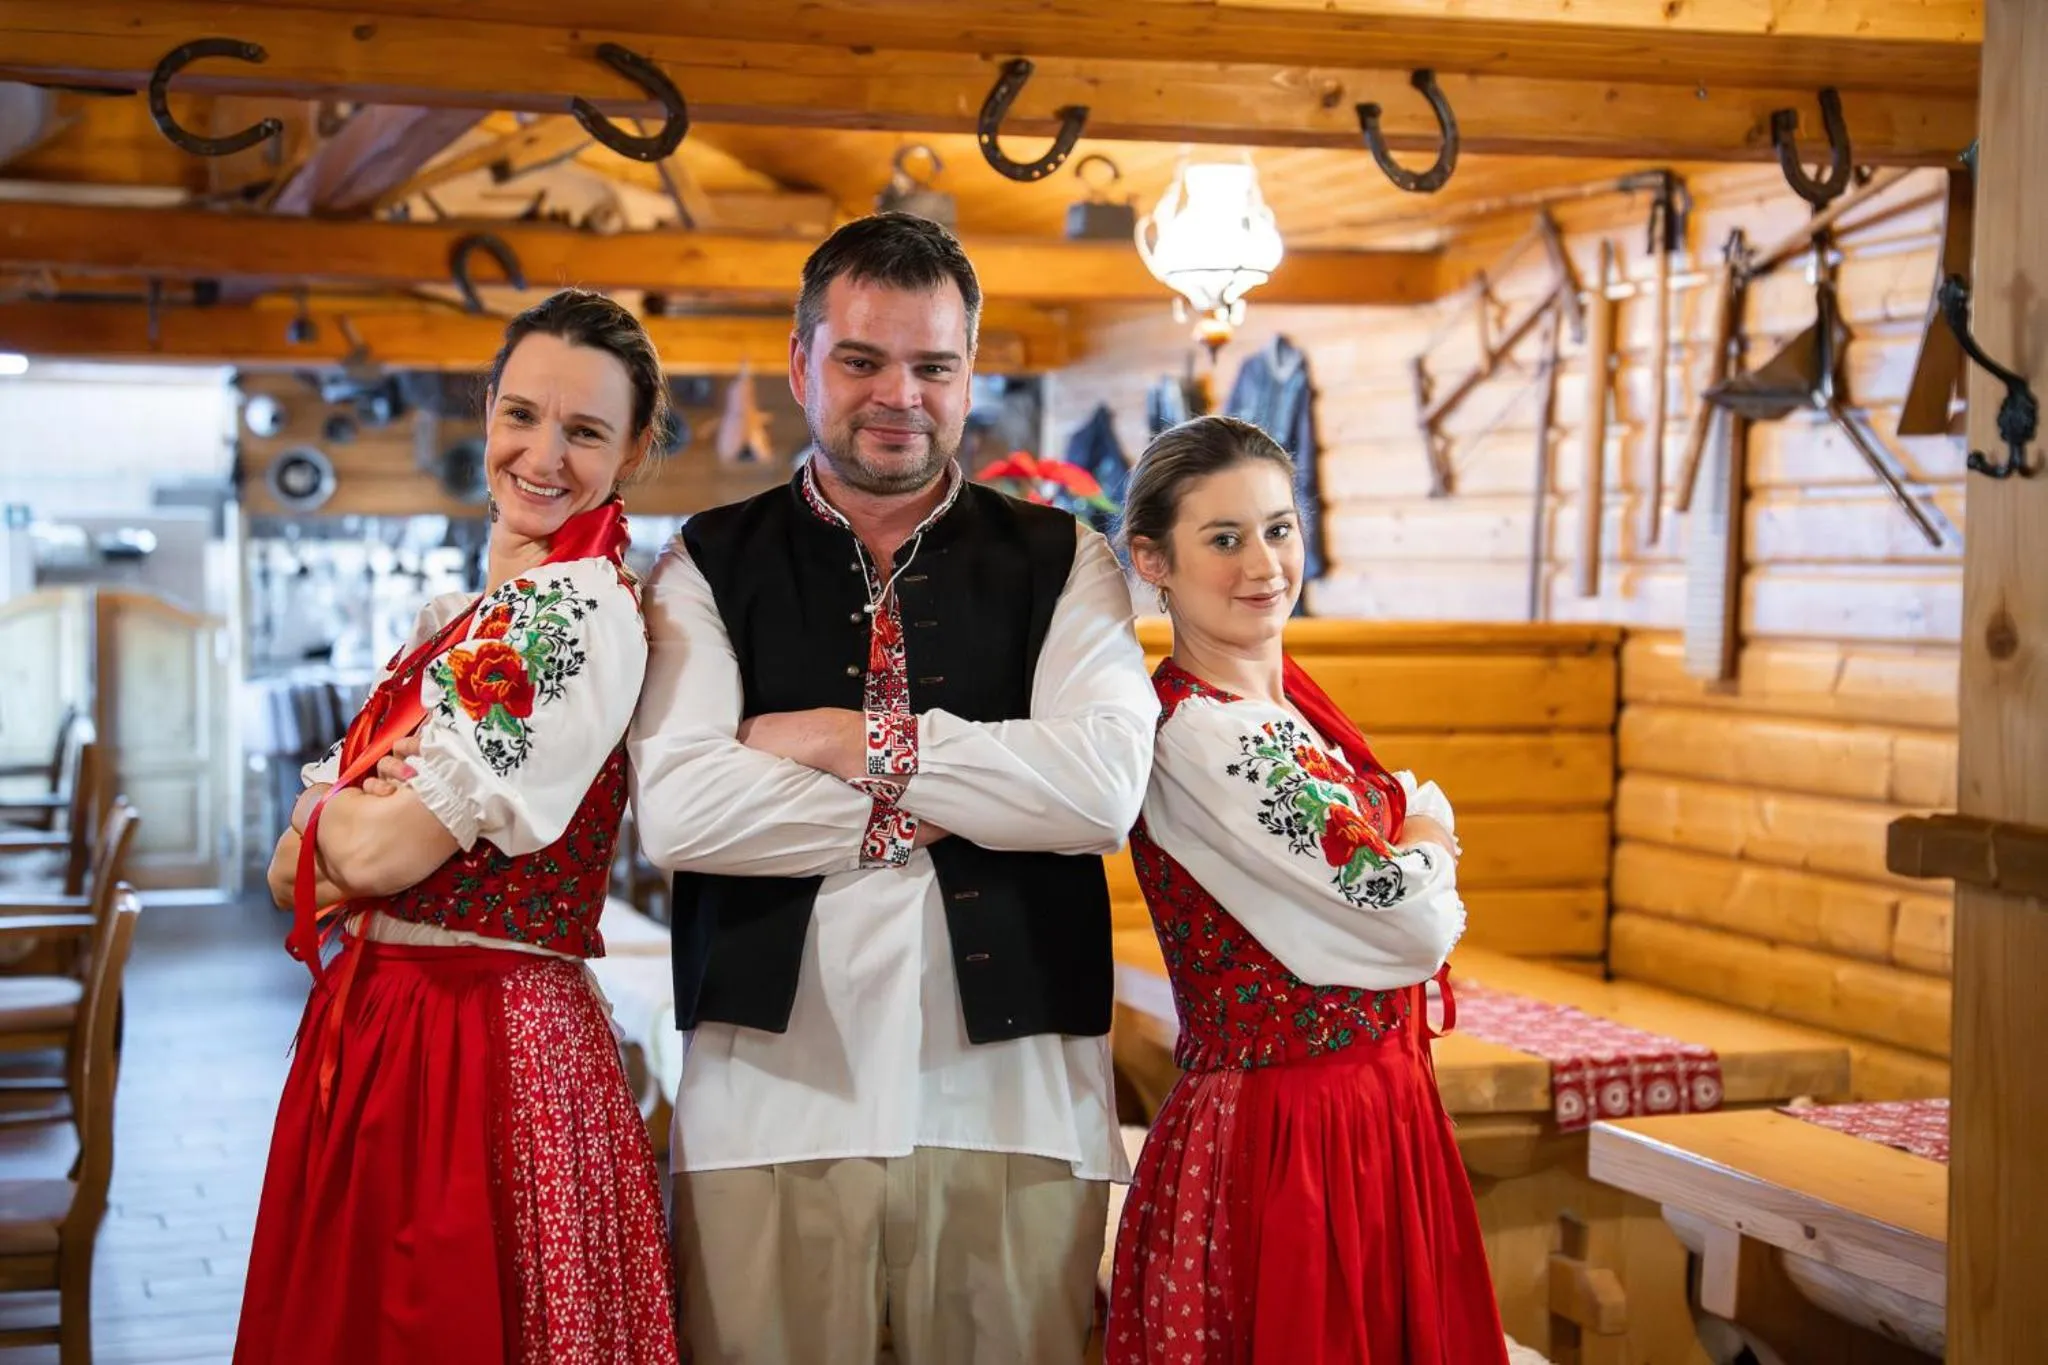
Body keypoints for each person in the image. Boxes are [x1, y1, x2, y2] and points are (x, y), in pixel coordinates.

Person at [627, 212, 1159, 1365]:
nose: (898, 395)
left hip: (1017, 1104)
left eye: (933, 365)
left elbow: (1100, 794)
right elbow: (682, 811)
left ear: (970, 373)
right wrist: (964, 794)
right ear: (800, 362)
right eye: (862, 359)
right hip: (765, 1104)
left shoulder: (1067, 559)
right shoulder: (703, 560)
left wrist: (833, 736)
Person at [236, 289, 679, 1365]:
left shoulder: (573, 611)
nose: (542, 454)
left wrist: (326, 813)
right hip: (390, 1022)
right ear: (487, 410)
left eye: (584, 431)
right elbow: (283, 876)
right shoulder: (465, 619)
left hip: (481, 1042)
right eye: (522, 414)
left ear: (631, 452)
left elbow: (376, 855)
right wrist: (339, 823)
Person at [1105, 415, 1507, 1364]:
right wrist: (1430, 826)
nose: (1264, 564)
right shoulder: (1206, 735)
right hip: (1292, 1139)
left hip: (1371, 1113)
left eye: (1279, 529)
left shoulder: (1282, 708)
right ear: (1153, 559)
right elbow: (1410, 922)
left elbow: (1392, 869)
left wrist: (1413, 827)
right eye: (1225, 538)